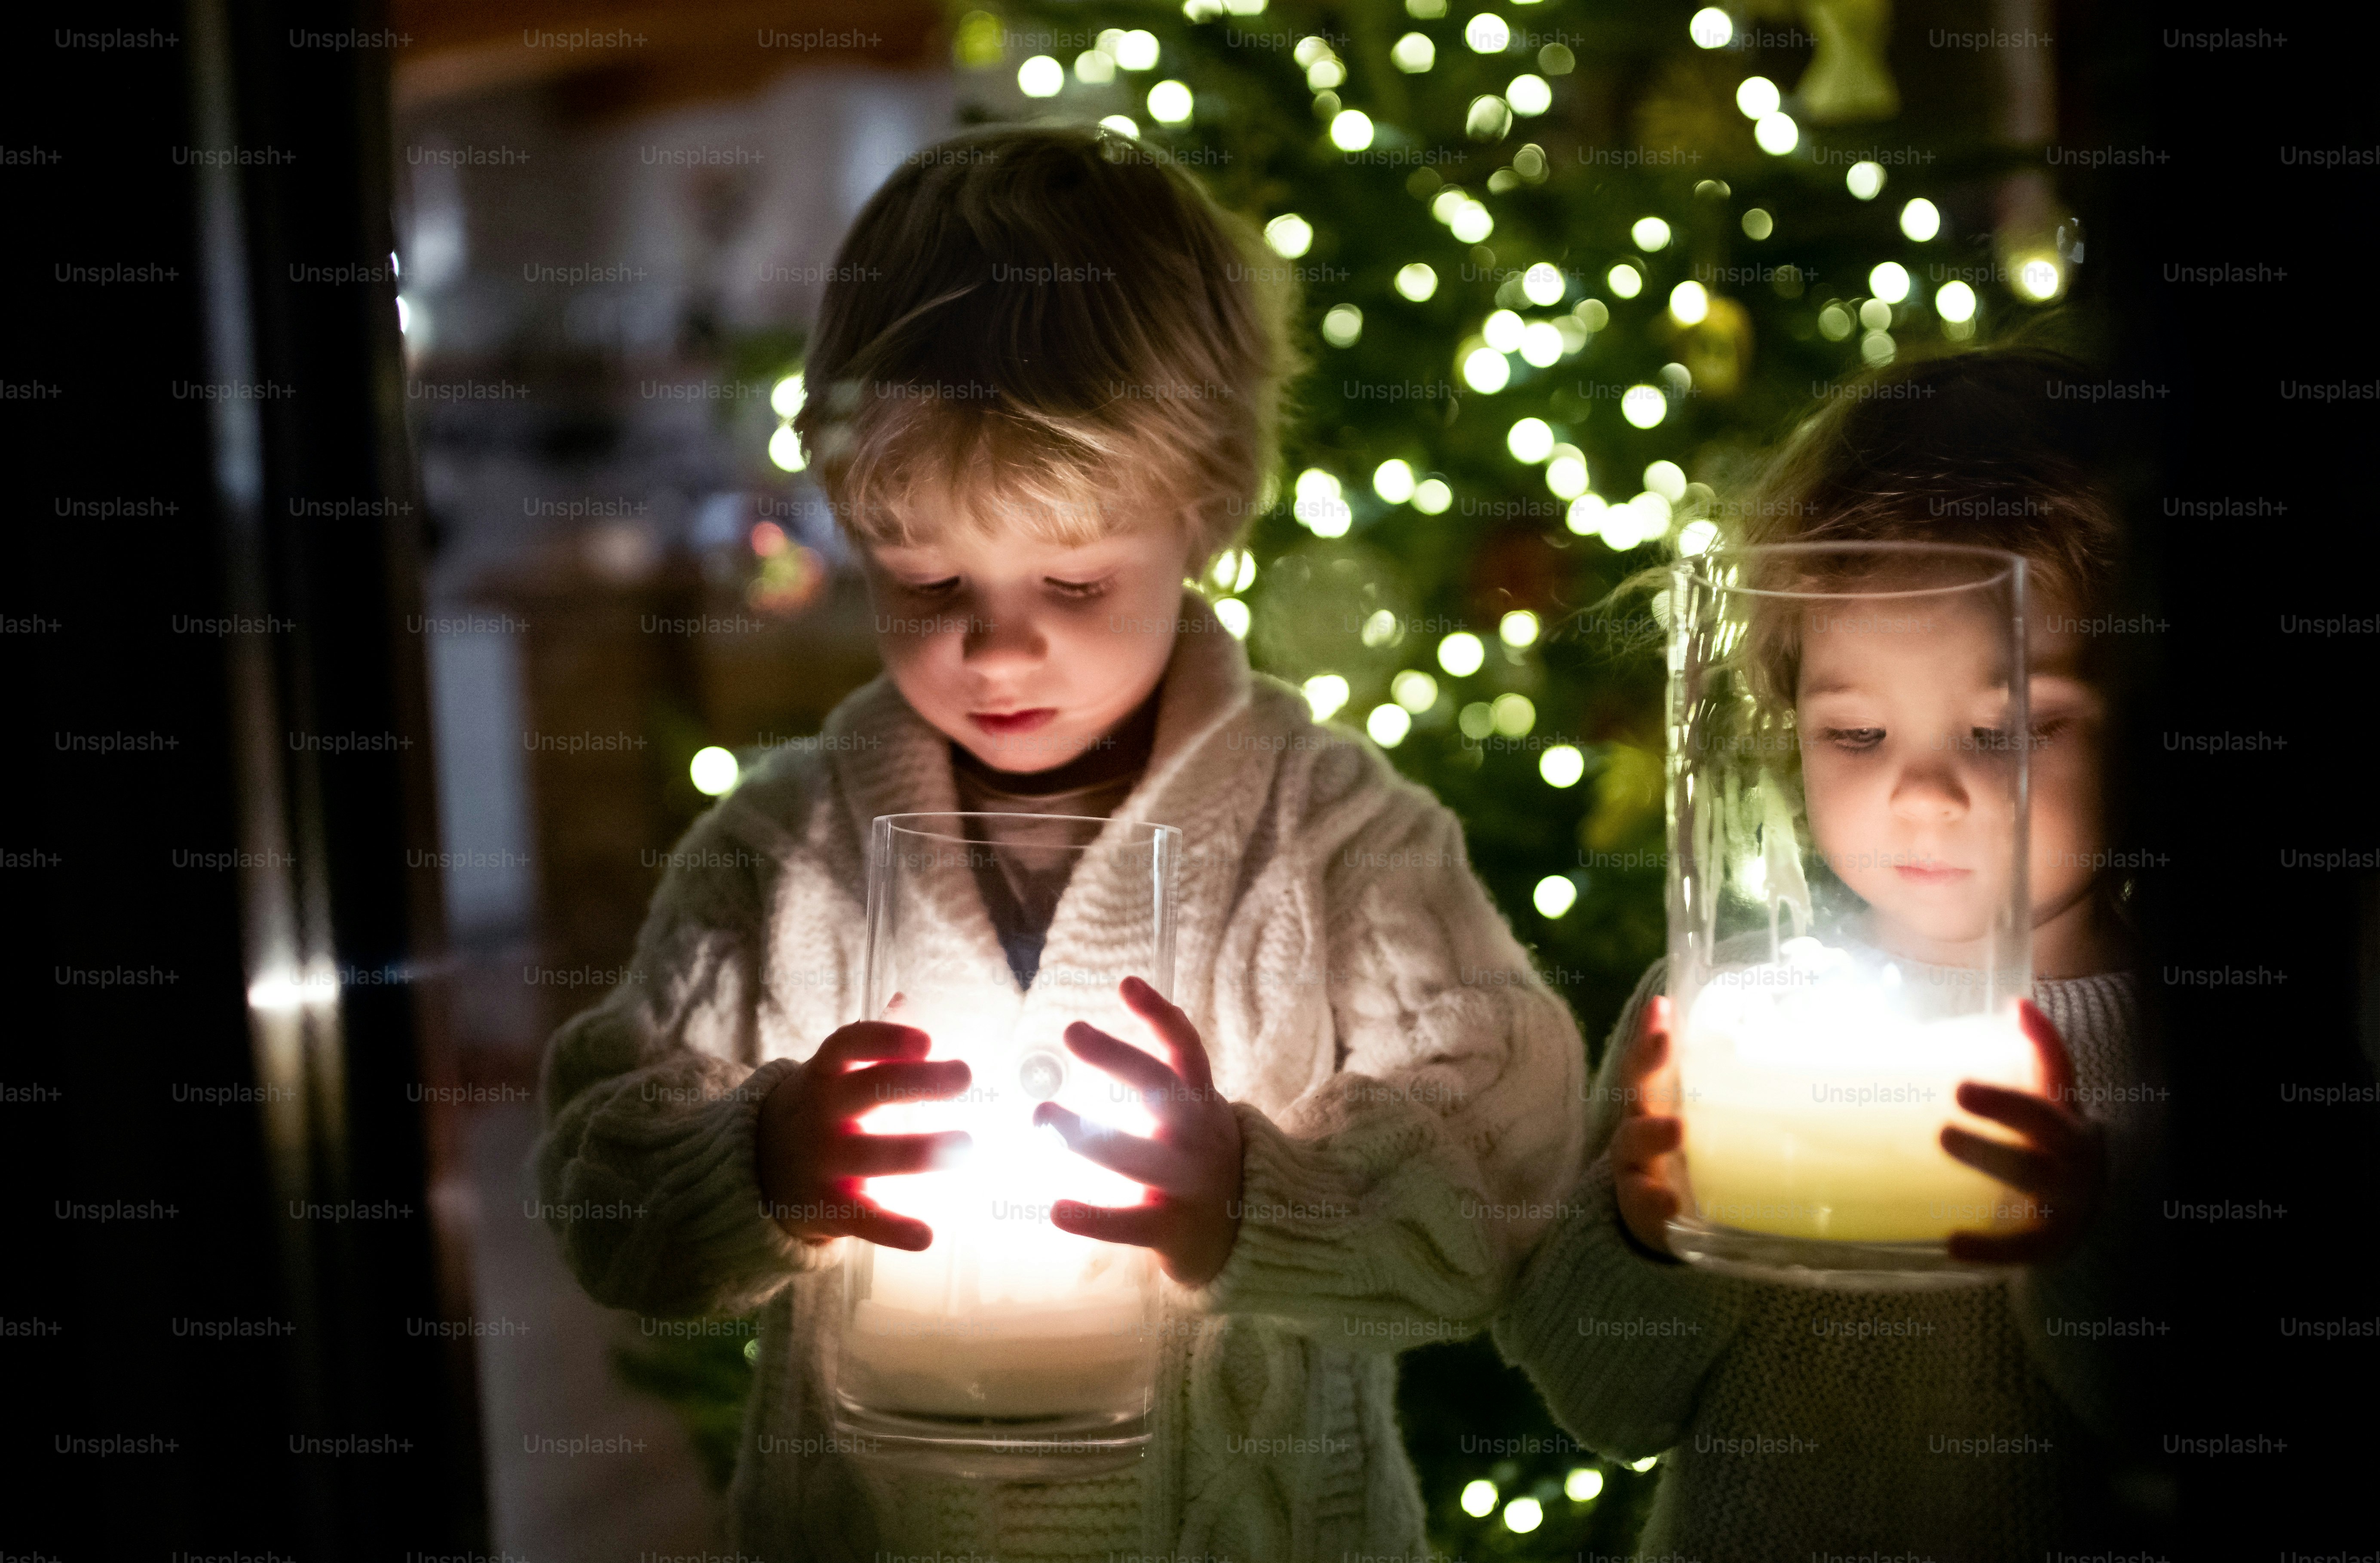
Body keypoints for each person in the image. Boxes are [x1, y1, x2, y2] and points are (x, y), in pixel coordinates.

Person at [533, 123, 1588, 1563]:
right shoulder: (787, 854)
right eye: (928, 576)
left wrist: (1251, 1197)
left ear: (1204, 512)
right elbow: (604, 1176)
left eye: (1075, 577)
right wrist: (760, 1163)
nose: (995, 644)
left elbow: (1495, 1183)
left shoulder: (1334, 846)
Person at [1494, 347, 2164, 1559]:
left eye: (2006, 729)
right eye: (1854, 731)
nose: (1921, 794)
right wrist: (1653, 1233)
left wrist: (2083, 1237)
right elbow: (1602, 1399)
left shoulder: (2201, 1040)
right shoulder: (1716, 1023)